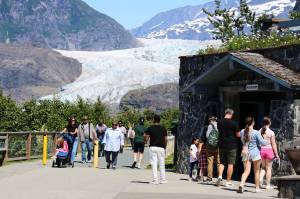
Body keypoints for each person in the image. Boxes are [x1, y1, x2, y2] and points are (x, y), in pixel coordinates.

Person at [238, 117, 269, 193]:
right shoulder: (256, 132)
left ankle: (241, 184)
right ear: (253, 123)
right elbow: (263, 143)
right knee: (257, 171)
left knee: (246, 171)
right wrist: (266, 139)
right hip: (255, 153)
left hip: (246, 153)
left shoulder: (242, 131)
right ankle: (257, 188)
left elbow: (242, 140)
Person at [216, 108, 240, 187]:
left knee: (222, 162)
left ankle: (220, 177)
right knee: (230, 164)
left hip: (221, 144)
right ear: (231, 114)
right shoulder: (234, 123)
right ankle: (228, 181)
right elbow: (238, 135)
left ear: (225, 113)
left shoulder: (219, 122)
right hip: (231, 145)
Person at [145, 114, 168, 185]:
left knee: (154, 164)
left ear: (153, 120)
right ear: (160, 120)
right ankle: (163, 180)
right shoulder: (163, 128)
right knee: (162, 164)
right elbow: (166, 139)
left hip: (153, 147)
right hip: (161, 147)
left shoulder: (150, 128)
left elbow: (146, 139)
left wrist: (145, 136)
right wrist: (165, 147)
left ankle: (155, 180)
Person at [259, 117, 279, 190]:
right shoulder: (271, 132)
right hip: (269, 151)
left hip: (261, 150)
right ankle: (268, 185)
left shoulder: (260, 131)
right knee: (269, 169)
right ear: (269, 123)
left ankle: (260, 179)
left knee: (263, 167)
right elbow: (273, 144)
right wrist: (276, 154)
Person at [206, 116, 220, 182]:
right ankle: (219, 177)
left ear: (210, 120)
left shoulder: (209, 126)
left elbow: (207, 136)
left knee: (210, 162)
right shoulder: (219, 125)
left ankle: (209, 177)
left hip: (210, 146)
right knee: (218, 163)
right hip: (217, 146)